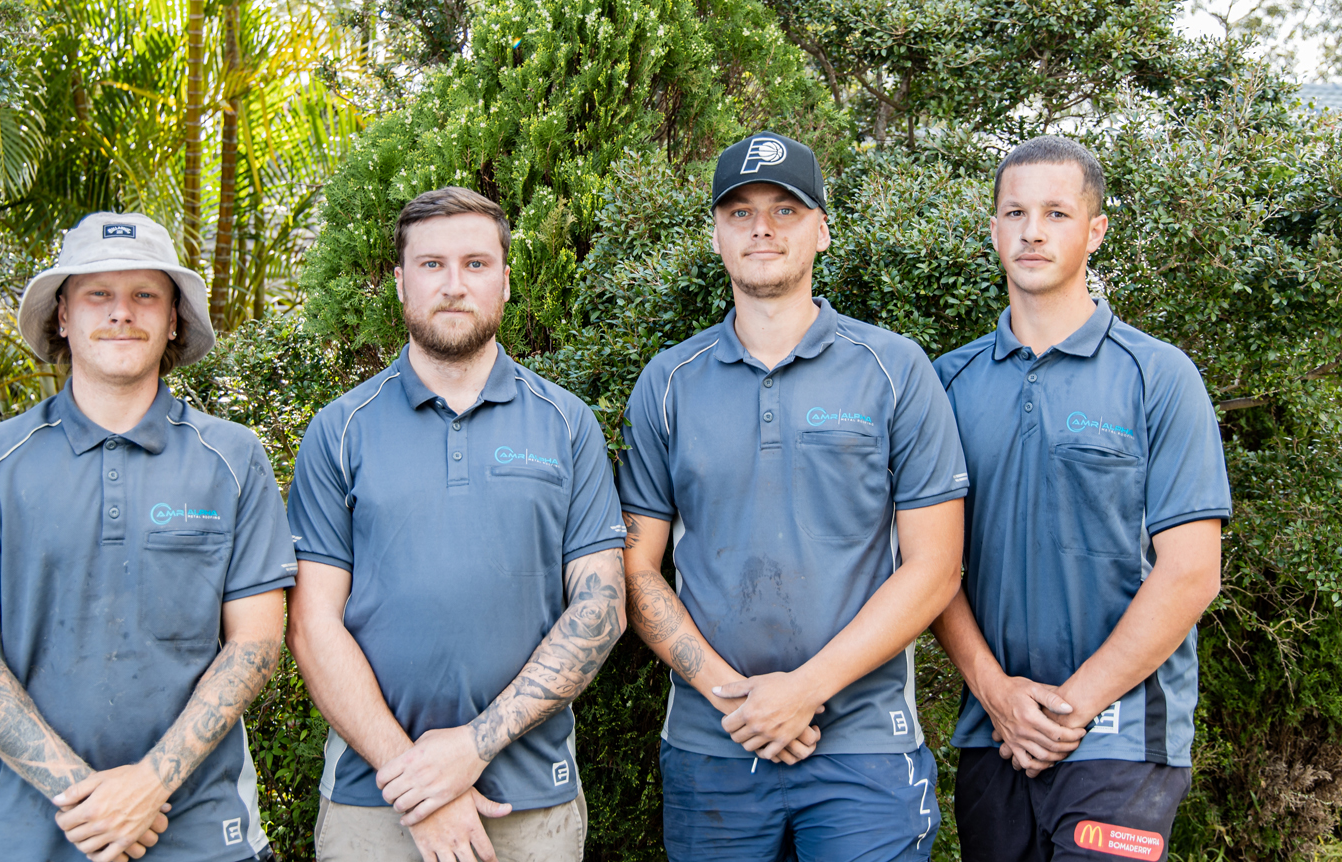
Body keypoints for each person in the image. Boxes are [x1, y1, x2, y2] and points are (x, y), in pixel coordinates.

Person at [616, 131, 967, 862]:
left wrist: (805, 690)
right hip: (713, 748)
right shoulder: (668, 382)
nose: (762, 228)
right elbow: (637, 568)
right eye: (740, 212)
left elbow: (935, 569)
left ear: (822, 230)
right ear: (716, 235)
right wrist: (734, 698)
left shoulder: (894, 369)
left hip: (864, 751)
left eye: (785, 209)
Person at [0, 212, 297, 862]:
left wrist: (151, 784)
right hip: (30, 839)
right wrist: (88, 798)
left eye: (145, 294)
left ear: (174, 317)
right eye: (98, 294)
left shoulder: (232, 458)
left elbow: (257, 644)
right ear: (62, 315)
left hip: (206, 837)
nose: (122, 313)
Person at [285, 186, 628, 862]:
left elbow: (601, 605)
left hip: (529, 804)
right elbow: (311, 622)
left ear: (504, 281)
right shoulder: (340, 431)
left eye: (475, 264)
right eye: (431, 264)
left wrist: (474, 746)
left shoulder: (565, 425)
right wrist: (416, 782)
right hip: (373, 805)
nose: (453, 284)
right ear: (400, 283)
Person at [931, 136, 1230, 860]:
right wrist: (998, 695)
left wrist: (1069, 709)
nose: (1033, 230)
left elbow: (1191, 572)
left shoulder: (1158, 376)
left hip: (1124, 740)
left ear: (1095, 231)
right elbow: (927, 568)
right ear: (994, 228)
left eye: (1057, 212)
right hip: (994, 736)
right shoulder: (945, 385)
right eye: (1016, 212)